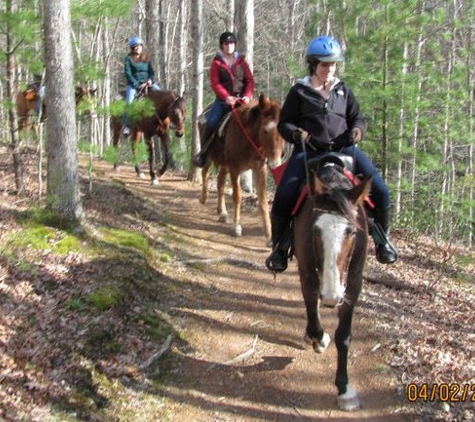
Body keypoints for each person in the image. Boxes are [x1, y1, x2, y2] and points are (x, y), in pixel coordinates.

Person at [266, 35, 398, 272]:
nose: (329, 69)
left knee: (381, 190)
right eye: (324, 64)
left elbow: (357, 118)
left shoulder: (343, 90)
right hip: (308, 150)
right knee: (284, 194)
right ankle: (279, 249)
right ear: (313, 65)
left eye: (332, 64)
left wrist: (357, 130)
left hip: (343, 148)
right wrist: (296, 134)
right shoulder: (299, 91)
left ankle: (382, 242)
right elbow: (284, 123)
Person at [193, 31, 255, 167]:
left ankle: (261, 154)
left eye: (231, 43)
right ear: (222, 46)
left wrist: (247, 95)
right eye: (226, 43)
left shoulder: (241, 62)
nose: (229, 46)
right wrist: (226, 97)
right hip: (223, 101)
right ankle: (203, 154)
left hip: (242, 101)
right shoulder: (216, 63)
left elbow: (249, 80)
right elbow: (215, 83)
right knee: (211, 122)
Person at [122, 36, 161, 136]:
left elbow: (151, 72)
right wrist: (137, 84)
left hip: (147, 83)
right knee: (129, 103)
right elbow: (128, 74)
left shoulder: (146, 58)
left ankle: (163, 120)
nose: (137, 48)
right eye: (135, 46)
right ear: (132, 48)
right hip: (134, 85)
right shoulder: (128, 59)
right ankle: (126, 126)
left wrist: (150, 81)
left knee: (161, 94)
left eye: (139, 46)